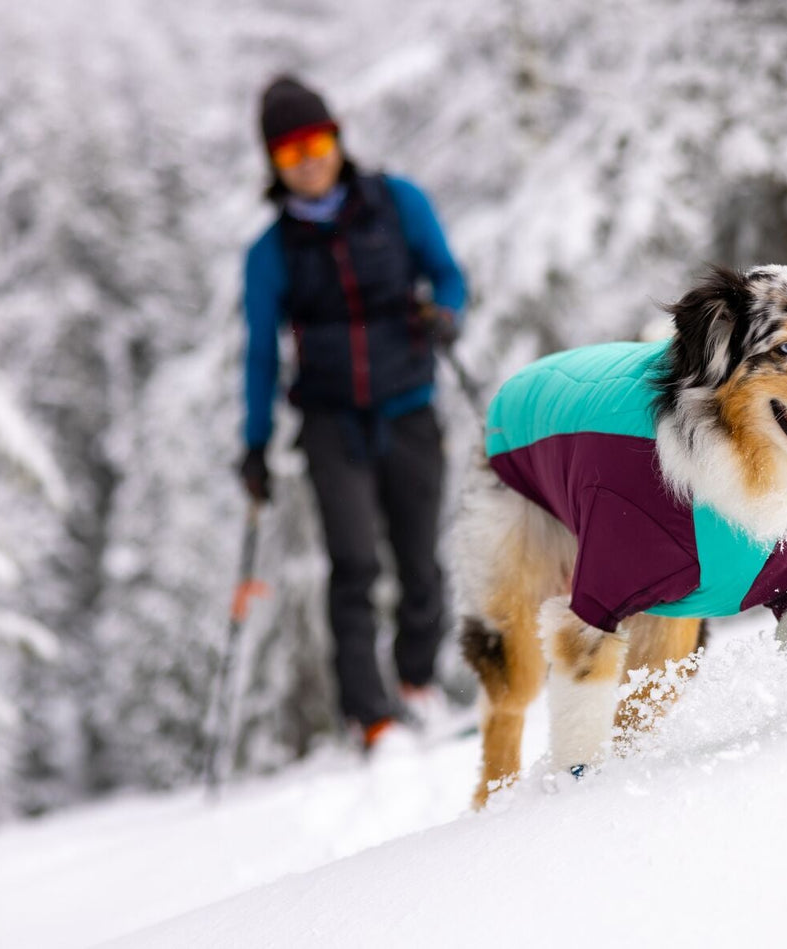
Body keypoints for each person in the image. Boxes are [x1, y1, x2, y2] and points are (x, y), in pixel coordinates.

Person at [238, 75, 467, 752]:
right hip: (331, 424)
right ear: (274, 166)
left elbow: (449, 276)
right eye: (288, 153)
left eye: (314, 142)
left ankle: (418, 686)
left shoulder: (397, 203)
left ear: (336, 137)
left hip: (408, 407)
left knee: (420, 559)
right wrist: (253, 446)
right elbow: (258, 354)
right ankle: (372, 719)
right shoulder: (269, 252)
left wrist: (445, 315)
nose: (306, 161)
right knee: (354, 565)